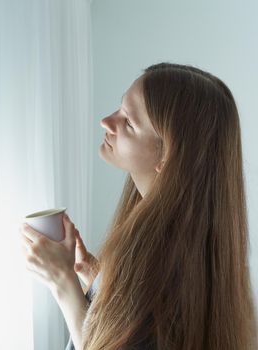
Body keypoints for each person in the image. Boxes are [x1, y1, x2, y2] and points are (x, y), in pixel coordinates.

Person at [21, 62, 258, 350]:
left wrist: (63, 283)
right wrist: (99, 279)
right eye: (120, 108)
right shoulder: (180, 240)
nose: (107, 122)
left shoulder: (168, 258)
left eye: (129, 123)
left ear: (167, 159)